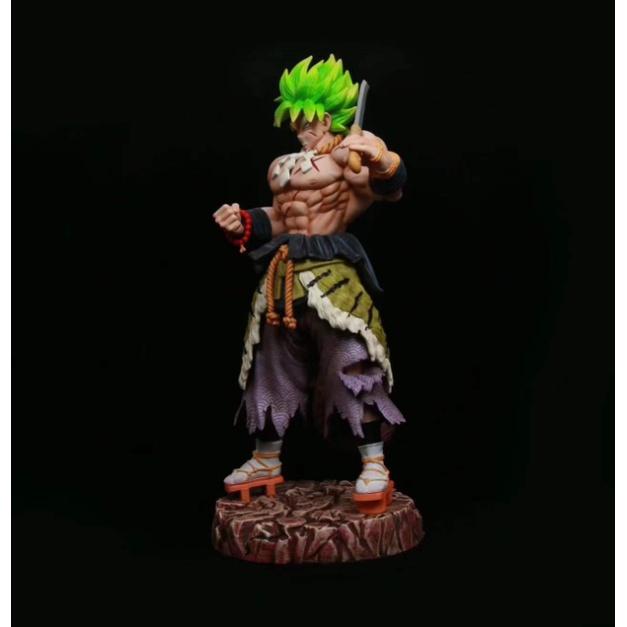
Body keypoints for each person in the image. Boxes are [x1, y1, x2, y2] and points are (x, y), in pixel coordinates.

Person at [213, 54, 407, 514]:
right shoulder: (284, 166)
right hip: (282, 274)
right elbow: (280, 219)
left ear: (332, 116)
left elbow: (390, 187)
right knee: (268, 365)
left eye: (311, 121)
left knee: (351, 361)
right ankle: (266, 459)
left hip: (332, 275)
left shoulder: (352, 158)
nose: (303, 130)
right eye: (296, 121)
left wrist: (380, 157)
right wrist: (242, 222)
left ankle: (373, 464)